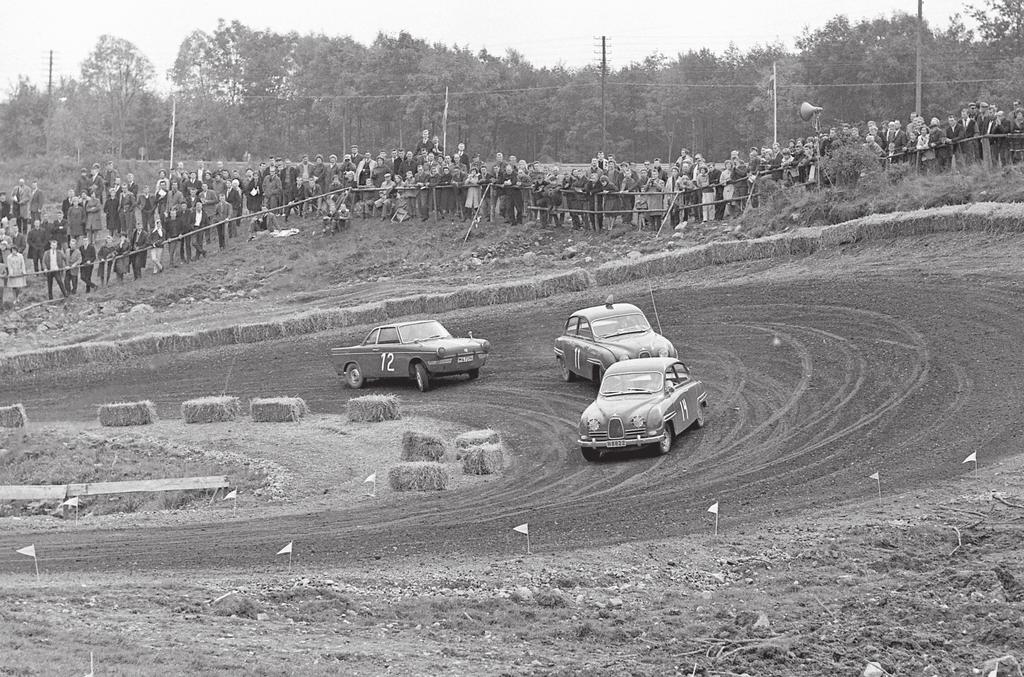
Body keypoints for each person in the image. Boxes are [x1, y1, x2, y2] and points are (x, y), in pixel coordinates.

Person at [3, 241, 26, 305]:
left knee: (19, 287)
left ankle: (17, 296)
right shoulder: (9, 257)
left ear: (17, 250)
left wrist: (23, 271)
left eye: (15, 250)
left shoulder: (20, 256)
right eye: (12, 250)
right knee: (14, 287)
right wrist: (11, 273)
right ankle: (15, 298)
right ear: (11, 251)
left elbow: (23, 264)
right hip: (13, 273)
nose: (14, 252)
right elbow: (9, 266)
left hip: (19, 272)